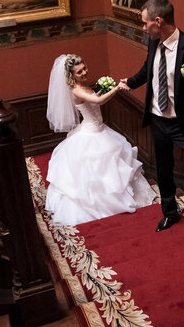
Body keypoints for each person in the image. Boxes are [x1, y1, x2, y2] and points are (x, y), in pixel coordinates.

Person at [121, 0, 184, 239]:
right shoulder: (153, 42)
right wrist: (130, 83)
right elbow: (148, 68)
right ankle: (169, 212)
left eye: (145, 23)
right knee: (164, 170)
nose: (143, 28)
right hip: (158, 120)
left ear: (158, 21)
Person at [45, 54, 156, 226]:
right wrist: (116, 88)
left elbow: (97, 102)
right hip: (91, 133)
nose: (84, 72)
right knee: (96, 169)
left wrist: (107, 90)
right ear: (71, 76)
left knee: (115, 160)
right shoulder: (77, 90)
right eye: (79, 72)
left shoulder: (84, 85)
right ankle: (100, 204)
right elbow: (98, 100)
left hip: (100, 129)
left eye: (84, 68)